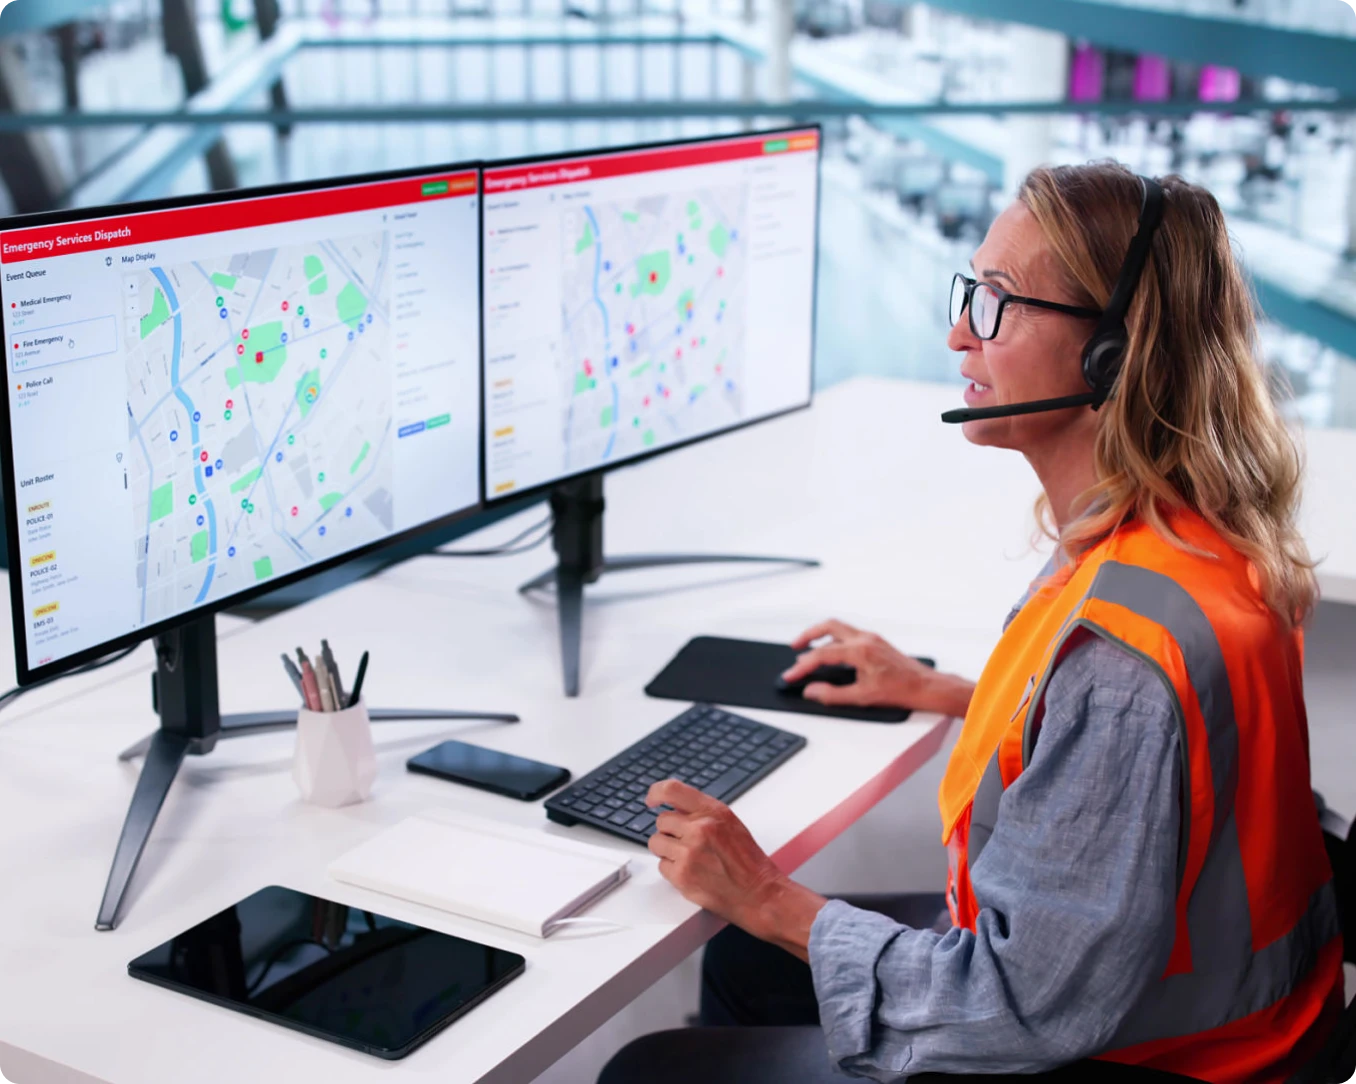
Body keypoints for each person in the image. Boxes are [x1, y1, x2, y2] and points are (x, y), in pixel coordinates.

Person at [598, 162, 1342, 1084]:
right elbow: (1140, 757)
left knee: (652, 1068)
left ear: (1115, 353)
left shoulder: (1122, 664)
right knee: (744, 964)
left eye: (998, 302)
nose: (959, 334)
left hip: (1155, 1057)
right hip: (1249, 1024)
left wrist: (765, 895)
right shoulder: (1190, 539)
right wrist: (945, 690)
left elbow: (1015, 1005)